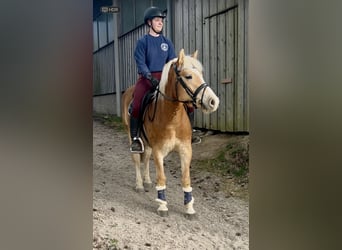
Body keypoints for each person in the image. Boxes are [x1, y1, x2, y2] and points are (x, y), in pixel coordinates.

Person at [129, 6, 201, 153]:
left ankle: (190, 132)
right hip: (147, 78)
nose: (160, 22)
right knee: (136, 104)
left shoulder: (167, 42)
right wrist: (149, 76)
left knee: (188, 102)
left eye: (161, 20)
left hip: (165, 78)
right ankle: (136, 138)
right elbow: (141, 62)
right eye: (157, 20)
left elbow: (173, 61)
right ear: (149, 23)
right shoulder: (142, 42)